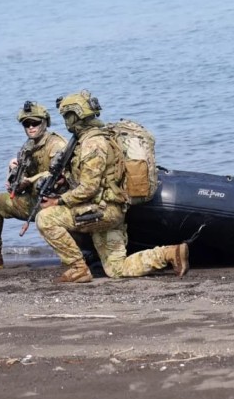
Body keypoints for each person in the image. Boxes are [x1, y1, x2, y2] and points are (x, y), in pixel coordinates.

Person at [34, 89, 189, 283]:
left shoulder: (92, 144)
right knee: (116, 269)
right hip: (109, 211)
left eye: (67, 116)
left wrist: (59, 201)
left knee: (45, 219)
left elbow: (89, 188)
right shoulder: (95, 138)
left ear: (77, 115)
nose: (66, 122)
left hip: (101, 211)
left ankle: (78, 268)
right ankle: (169, 253)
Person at [0, 102, 67, 269]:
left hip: (55, 203)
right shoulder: (28, 146)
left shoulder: (57, 145)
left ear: (45, 122)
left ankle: (76, 255)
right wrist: (14, 176)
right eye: (27, 124)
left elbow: (58, 174)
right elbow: (20, 179)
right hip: (32, 201)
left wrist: (31, 179)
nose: (31, 127)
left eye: (35, 123)